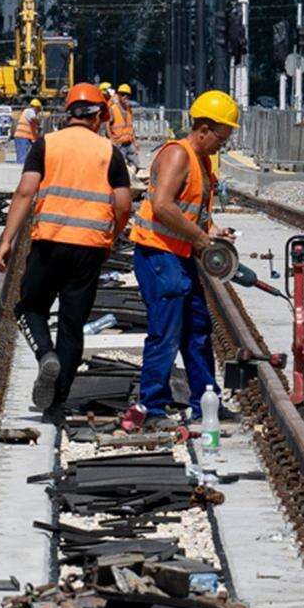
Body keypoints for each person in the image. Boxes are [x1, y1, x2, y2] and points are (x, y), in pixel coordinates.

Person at [0, 82, 133, 417]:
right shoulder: (109, 152)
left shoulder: (46, 144)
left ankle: (45, 355)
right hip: (88, 250)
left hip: (49, 243)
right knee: (72, 326)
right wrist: (111, 236)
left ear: (69, 112)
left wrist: (7, 239)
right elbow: (124, 203)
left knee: (30, 308)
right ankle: (56, 403)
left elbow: (26, 192)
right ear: (99, 116)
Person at [120, 90, 239, 432]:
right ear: (203, 128)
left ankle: (206, 400)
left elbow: (195, 211)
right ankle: (153, 406)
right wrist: (202, 240)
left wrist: (214, 231)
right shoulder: (178, 155)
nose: (222, 144)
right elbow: (163, 206)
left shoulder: (202, 162)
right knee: (166, 332)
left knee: (197, 328)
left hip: (179, 254)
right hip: (159, 254)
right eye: (221, 136)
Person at [109, 82, 139, 167]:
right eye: (122, 94)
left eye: (127, 95)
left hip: (129, 142)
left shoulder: (129, 109)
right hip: (119, 144)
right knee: (120, 167)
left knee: (137, 165)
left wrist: (135, 142)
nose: (125, 96)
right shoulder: (113, 109)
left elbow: (131, 127)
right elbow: (107, 124)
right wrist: (111, 139)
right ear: (118, 95)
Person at [13, 98, 43, 163]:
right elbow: (33, 118)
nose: (39, 112)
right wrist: (38, 122)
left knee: (26, 156)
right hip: (22, 137)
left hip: (25, 137)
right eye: (39, 109)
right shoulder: (29, 111)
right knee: (22, 157)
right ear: (36, 107)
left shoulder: (28, 112)